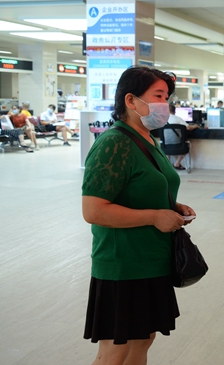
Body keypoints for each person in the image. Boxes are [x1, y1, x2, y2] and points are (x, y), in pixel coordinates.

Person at [81, 66, 196, 364]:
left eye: (167, 97)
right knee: (115, 351)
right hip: (124, 264)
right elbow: (93, 210)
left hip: (152, 260)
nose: (164, 104)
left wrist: (172, 206)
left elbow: (141, 187)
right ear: (131, 100)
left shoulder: (148, 139)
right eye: (158, 96)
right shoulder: (114, 143)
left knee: (143, 340)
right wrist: (154, 217)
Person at [166, 103, 199, 170]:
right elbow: (189, 127)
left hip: (164, 144)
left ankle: (167, 165)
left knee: (167, 144)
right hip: (178, 144)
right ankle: (177, 163)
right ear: (175, 111)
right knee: (186, 146)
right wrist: (195, 126)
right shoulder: (178, 119)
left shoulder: (162, 119)